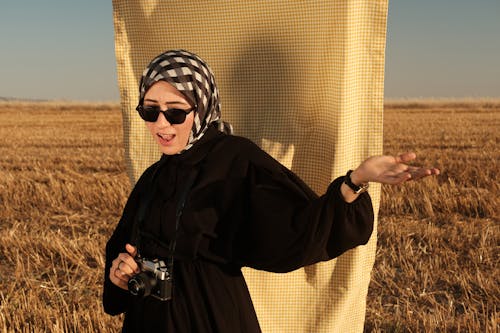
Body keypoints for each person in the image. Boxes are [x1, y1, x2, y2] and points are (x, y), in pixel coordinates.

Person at [103, 49, 439, 332]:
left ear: (202, 105)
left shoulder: (234, 160)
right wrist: (121, 275)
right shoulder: (153, 177)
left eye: (175, 112)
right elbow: (121, 250)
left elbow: (296, 226)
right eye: (149, 110)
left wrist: (354, 182)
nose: (161, 124)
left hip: (212, 320)